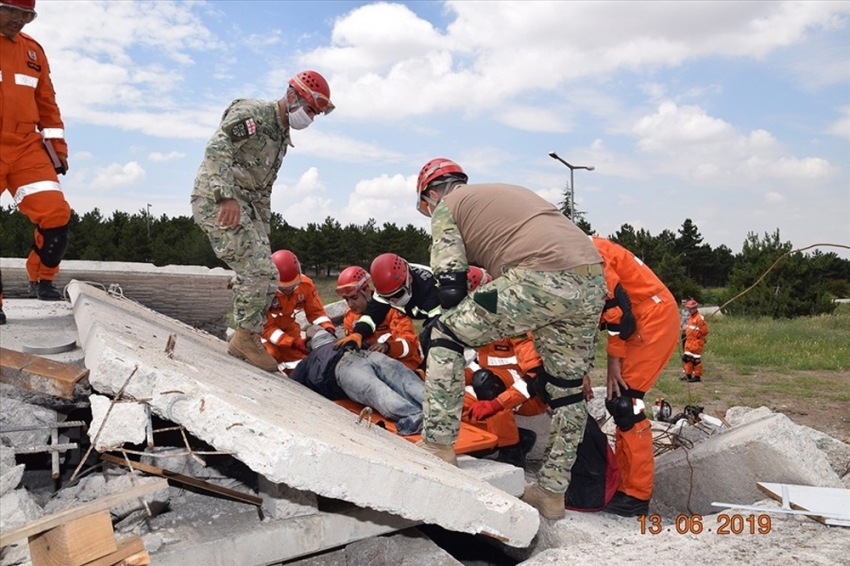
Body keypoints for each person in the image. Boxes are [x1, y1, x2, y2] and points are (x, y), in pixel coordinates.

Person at [415, 157, 606, 520]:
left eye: (426, 207)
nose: (429, 213)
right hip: (592, 280)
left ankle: (438, 445)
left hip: (538, 277)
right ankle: (551, 492)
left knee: (444, 334)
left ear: (431, 194)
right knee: (565, 388)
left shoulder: (447, 207)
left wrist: (449, 316)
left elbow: (451, 284)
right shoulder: (507, 194)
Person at [191, 70, 333, 371]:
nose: (310, 117)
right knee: (256, 269)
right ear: (292, 96)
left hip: (247, 205)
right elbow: (218, 147)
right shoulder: (254, 115)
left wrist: (262, 229)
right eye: (309, 109)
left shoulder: (281, 135)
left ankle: (248, 336)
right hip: (216, 200)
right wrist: (225, 195)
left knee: (268, 273)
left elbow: (263, 187)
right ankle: (245, 338)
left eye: (314, 114)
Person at [591, 236, 680, 517]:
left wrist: (613, 360)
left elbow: (619, 313)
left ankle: (636, 494)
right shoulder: (574, 248)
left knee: (627, 404)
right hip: (640, 319)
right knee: (619, 401)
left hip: (649, 319)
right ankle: (623, 482)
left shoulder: (585, 253)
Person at [1, 0, 71, 304]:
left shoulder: (33, 51)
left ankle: (42, 280)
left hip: (26, 146)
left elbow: (47, 104)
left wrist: (57, 148)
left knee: (56, 213)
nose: (19, 21)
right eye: (11, 12)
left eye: (26, 16)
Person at [461, 268, 546, 468]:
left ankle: (512, 453)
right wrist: (450, 380)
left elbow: (535, 376)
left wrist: (497, 403)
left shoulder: (514, 323)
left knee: (484, 382)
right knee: (454, 400)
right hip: (499, 389)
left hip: (528, 397)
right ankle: (517, 438)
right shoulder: (483, 326)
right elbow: (481, 364)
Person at [289, 325, 425, 436]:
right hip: (366, 354)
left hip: (343, 367)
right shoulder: (346, 340)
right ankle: (437, 410)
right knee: (402, 378)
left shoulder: (308, 360)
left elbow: (291, 385)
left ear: (310, 344)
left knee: (377, 390)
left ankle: (414, 416)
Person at [334, 253, 440, 360]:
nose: (393, 301)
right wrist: (358, 333)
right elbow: (372, 315)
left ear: (409, 279)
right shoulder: (381, 296)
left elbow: (429, 333)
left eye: (397, 294)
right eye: (386, 297)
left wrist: (389, 347)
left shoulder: (432, 291)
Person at [261, 250, 337, 374]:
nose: (288, 292)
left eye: (292, 287)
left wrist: (328, 328)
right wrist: (292, 342)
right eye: (283, 289)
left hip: (290, 328)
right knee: (271, 355)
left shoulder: (305, 286)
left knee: (298, 362)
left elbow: (316, 312)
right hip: (263, 334)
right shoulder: (264, 292)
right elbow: (267, 328)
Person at [336, 266, 423, 373]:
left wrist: (388, 347)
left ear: (367, 291)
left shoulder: (392, 309)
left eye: (354, 298)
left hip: (406, 365)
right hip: (375, 367)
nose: (350, 304)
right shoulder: (350, 316)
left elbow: (410, 345)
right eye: (346, 299)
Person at [681, 299, 709, 383]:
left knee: (695, 360)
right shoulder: (690, 317)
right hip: (689, 341)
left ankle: (697, 376)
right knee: (687, 358)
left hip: (696, 342)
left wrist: (697, 336)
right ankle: (688, 375)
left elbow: (705, 331)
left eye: (691, 308)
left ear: (695, 308)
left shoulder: (699, 318)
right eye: (688, 308)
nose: (689, 310)